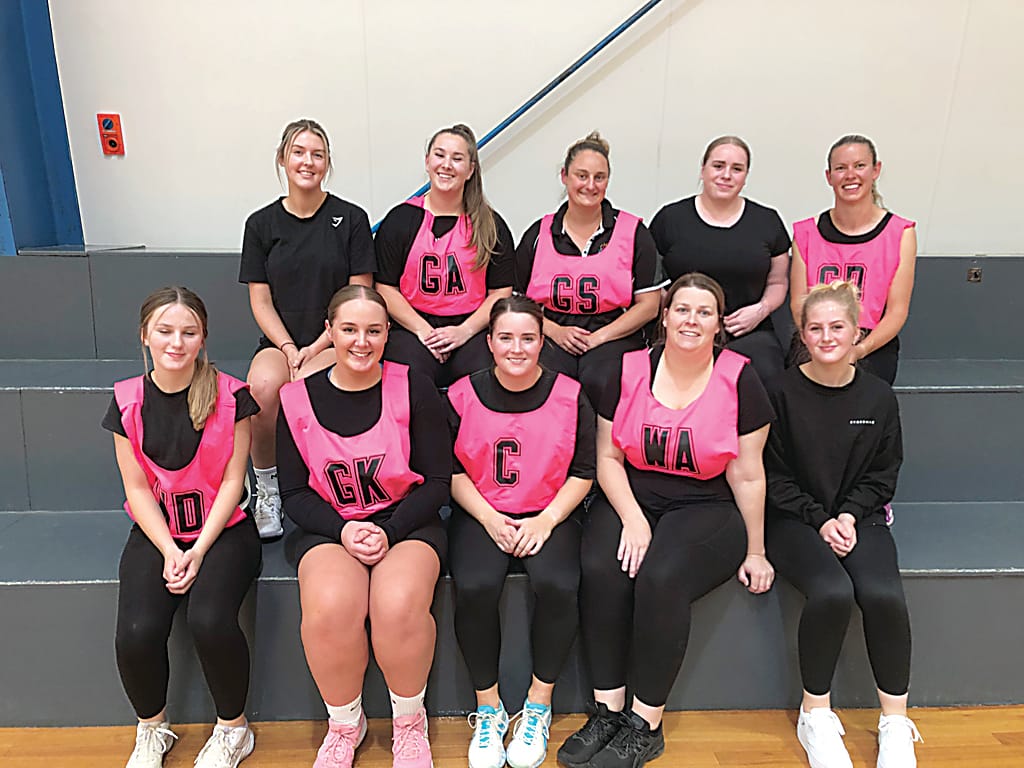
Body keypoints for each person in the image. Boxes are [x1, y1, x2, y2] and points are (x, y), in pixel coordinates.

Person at [558, 273, 775, 768]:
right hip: (633, 493)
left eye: (704, 312)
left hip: (706, 506)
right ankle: (608, 710)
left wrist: (757, 550)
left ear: (719, 324)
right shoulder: (626, 368)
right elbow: (608, 458)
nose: (691, 320)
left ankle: (644, 723)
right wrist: (633, 519)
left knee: (660, 575)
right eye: (682, 309)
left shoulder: (740, 377)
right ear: (664, 314)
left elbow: (747, 476)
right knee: (602, 567)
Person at [276, 285, 451, 768]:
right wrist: (343, 530)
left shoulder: (412, 385)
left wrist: (390, 531)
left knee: (396, 606)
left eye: (373, 330)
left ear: (388, 333)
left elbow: (438, 481)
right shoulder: (295, 399)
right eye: (349, 329)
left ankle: (410, 725)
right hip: (330, 527)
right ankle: (344, 726)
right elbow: (293, 494)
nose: (361, 341)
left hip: (407, 522)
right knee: (330, 607)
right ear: (329, 331)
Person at [104, 286, 261, 768]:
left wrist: (197, 550)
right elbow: (137, 490)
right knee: (136, 630)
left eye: (189, 332)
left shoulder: (234, 396)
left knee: (209, 620)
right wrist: (172, 549)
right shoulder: (126, 401)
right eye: (165, 331)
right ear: (145, 337)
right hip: (159, 533)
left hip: (224, 529)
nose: (177, 342)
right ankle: (153, 729)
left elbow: (236, 481)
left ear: (203, 338)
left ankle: (234, 730)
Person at [765, 281, 920, 768]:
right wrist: (820, 519)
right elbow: (772, 475)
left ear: (857, 331)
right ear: (802, 335)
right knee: (832, 591)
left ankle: (894, 721)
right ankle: (816, 713)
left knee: (883, 595)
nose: (827, 336)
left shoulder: (878, 396)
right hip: (794, 520)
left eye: (838, 327)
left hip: (859, 519)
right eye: (816, 328)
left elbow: (883, 473)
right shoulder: (780, 391)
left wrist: (849, 515)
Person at [446, 296, 595, 768]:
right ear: (489, 343)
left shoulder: (571, 394)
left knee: (558, 584)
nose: (517, 348)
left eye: (528, 338)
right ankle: (488, 707)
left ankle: (538, 702)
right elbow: (448, 469)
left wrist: (546, 520)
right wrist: (489, 518)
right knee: (473, 585)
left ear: (542, 342)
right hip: (482, 512)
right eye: (506, 338)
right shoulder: (461, 393)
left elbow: (585, 471)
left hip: (548, 512)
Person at [239, 118, 376, 539]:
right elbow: (260, 300)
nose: (308, 161)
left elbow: (359, 295)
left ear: (328, 163)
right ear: (282, 159)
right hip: (282, 343)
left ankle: (324, 489)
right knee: (262, 388)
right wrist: (288, 348)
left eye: (317, 154)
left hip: (338, 340)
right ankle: (268, 488)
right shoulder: (261, 225)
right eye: (299, 152)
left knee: (316, 391)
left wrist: (318, 346)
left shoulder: (351, 219)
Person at [515, 131, 665, 406]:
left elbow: (649, 305)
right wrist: (554, 331)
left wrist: (599, 338)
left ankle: (604, 449)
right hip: (552, 330)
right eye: (581, 175)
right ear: (565, 176)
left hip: (613, 332)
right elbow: (517, 301)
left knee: (604, 377)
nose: (590, 185)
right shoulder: (538, 233)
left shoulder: (634, 232)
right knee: (547, 379)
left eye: (599, 177)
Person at [375, 123, 515, 387]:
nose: (447, 165)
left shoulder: (490, 224)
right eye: (440, 155)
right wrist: (422, 331)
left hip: (472, 326)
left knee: (482, 377)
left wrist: (464, 331)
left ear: (471, 169)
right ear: (427, 162)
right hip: (413, 325)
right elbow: (385, 286)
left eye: (457, 158)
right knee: (410, 378)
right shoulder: (400, 219)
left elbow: (501, 291)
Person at [650, 136, 790, 386]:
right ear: (703, 170)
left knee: (766, 375)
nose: (726, 175)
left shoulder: (767, 221)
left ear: (746, 176)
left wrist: (761, 310)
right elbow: (650, 284)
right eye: (718, 166)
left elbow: (779, 282)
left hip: (748, 331)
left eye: (737, 169)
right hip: (684, 331)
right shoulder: (670, 219)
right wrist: (682, 315)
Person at [790, 134, 917, 384]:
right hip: (815, 339)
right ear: (829, 177)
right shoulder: (806, 232)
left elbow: (897, 311)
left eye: (859, 166)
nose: (850, 175)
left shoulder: (901, 232)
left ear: (875, 170)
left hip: (870, 345)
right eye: (840, 168)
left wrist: (856, 351)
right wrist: (821, 344)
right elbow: (798, 305)